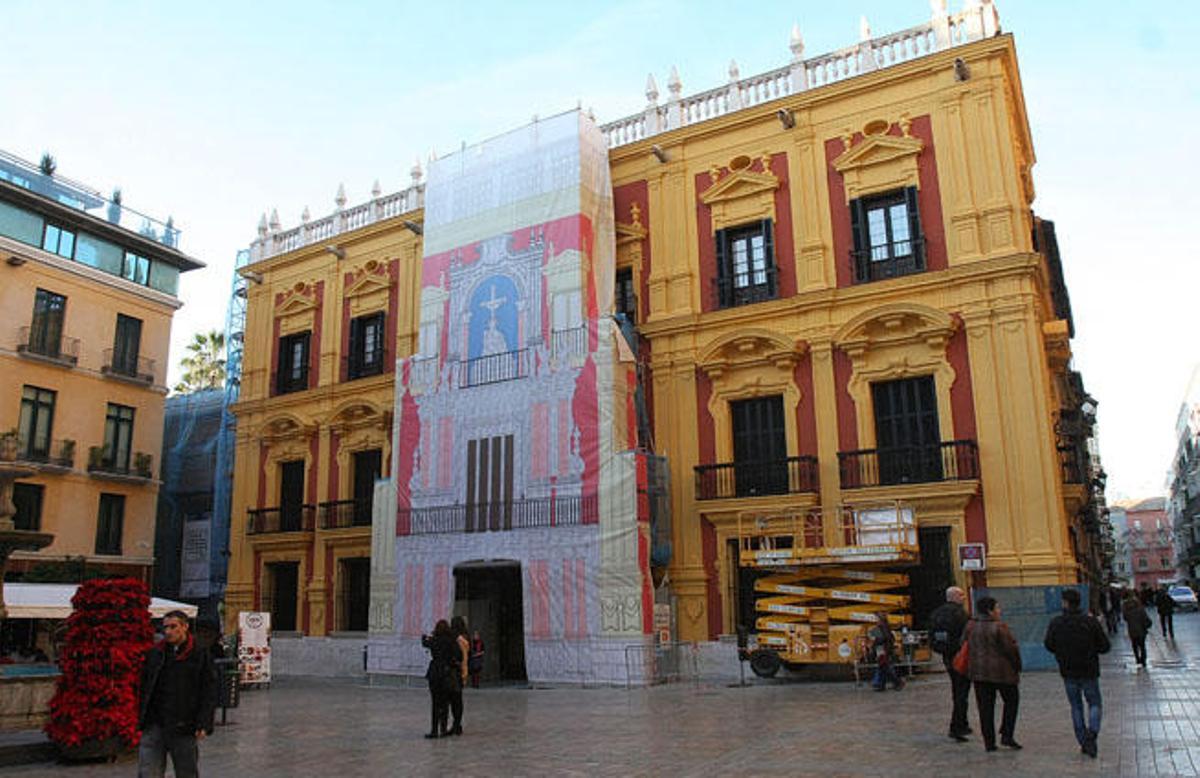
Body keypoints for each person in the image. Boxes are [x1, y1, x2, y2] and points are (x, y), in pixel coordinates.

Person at [138, 610, 218, 778]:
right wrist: (142, 715)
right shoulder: (156, 652)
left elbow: (208, 690)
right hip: (155, 723)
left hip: (183, 725)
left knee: (186, 771)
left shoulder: (199, 653)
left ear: (185, 626)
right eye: (165, 627)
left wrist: (204, 722)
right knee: (148, 771)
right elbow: (145, 684)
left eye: (173, 627)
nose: (168, 631)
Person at [1043, 588, 1111, 758]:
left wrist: (1062, 652)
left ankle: (1083, 741)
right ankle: (1092, 733)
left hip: (1068, 670)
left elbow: (1049, 644)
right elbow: (1105, 646)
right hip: (1089, 670)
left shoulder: (1056, 623)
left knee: (1076, 706)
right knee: (1094, 703)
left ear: (1065, 603)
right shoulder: (1090, 622)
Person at [966, 596, 1022, 752]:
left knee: (985, 708)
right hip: (1002, 672)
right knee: (1011, 701)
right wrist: (1017, 666)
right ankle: (1007, 734)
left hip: (979, 672)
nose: (999, 611)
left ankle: (989, 742)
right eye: (997, 608)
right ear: (990, 611)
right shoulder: (999, 627)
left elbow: (963, 644)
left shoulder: (971, 626)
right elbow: (1011, 649)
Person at [929, 586, 971, 741]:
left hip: (946, 655)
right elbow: (967, 635)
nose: (963, 598)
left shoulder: (936, 613)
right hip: (961, 656)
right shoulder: (960, 614)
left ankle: (963, 722)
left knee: (957, 689)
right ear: (953, 596)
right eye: (961, 595)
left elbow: (931, 636)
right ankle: (957, 726)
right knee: (962, 692)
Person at [421, 620, 458, 738]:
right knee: (445, 703)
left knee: (435, 703)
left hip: (435, 672)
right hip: (446, 673)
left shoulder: (434, 640)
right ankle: (443, 729)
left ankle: (434, 730)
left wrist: (424, 637)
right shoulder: (451, 641)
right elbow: (458, 655)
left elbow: (425, 643)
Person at [867, 611, 904, 692]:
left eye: (877, 618)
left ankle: (897, 682)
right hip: (883, 649)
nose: (876, 620)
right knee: (882, 667)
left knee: (884, 667)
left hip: (883, 649)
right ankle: (883, 685)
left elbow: (883, 638)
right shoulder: (884, 627)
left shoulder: (882, 627)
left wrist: (875, 640)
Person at [448, 616, 470, 735]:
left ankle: (456, 724)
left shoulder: (457, 639)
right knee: (457, 700)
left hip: (455, 671)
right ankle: (457, 724)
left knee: (454, 700)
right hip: (462, 671)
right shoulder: (465, 638)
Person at [1122, 592, 1152, 668]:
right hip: (1141, 630)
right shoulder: (1141, 609)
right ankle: (1143, 660)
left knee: (1134, 646)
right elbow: (1147, 619)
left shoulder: (1127, 610)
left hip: (1132, 630)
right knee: (1142, 646)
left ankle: (1137, 658)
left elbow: (1125, 618)